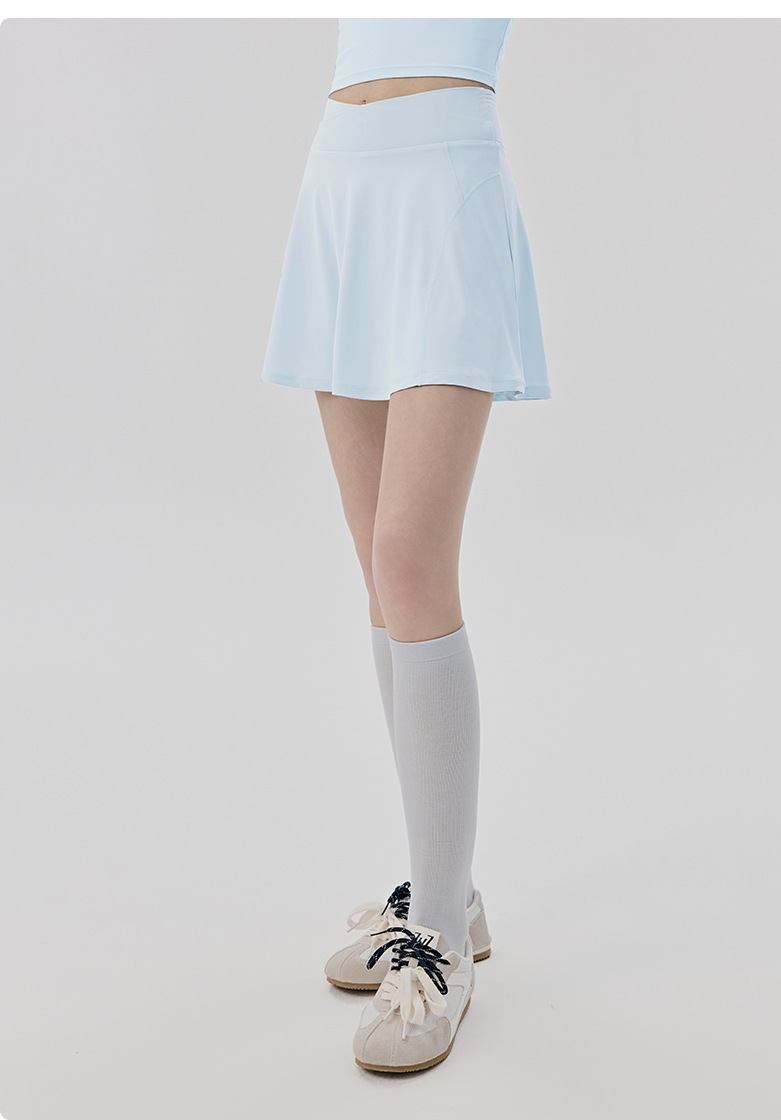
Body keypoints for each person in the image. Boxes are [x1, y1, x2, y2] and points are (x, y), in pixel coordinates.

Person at [260, 17, 551, 1073]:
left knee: (411, 559)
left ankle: (441, 947)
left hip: (445, 179)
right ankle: (448, 893)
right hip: (342, 173)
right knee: (379, 573)